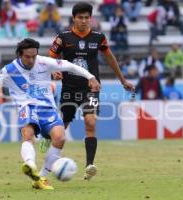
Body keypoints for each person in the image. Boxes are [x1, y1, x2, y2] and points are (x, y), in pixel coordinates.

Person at [0, 38, 101, 190]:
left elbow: (69, 66)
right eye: (27, 57)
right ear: (19, 55)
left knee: (60, 138)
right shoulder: (9, 70)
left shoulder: (43, 62)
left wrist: (91, 77)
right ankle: (29, 165)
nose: (31, 60)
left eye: (33, 56)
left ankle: (41, 177)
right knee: (28, 134)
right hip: (27, 107)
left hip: (47, 108)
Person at [49, 3, 134, 180]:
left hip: (91, 89)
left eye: (87, 17)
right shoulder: (63, 38)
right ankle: (49, 161)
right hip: (69, 89)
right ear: (74, 18)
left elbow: (109, 57)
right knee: (60, 130)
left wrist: (122, 79)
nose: (83, 20)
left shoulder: (98, 38)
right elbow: (51, 58)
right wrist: (53, 70)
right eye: (80, 17)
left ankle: (89, 165)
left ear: (91, 18)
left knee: (90, 121)